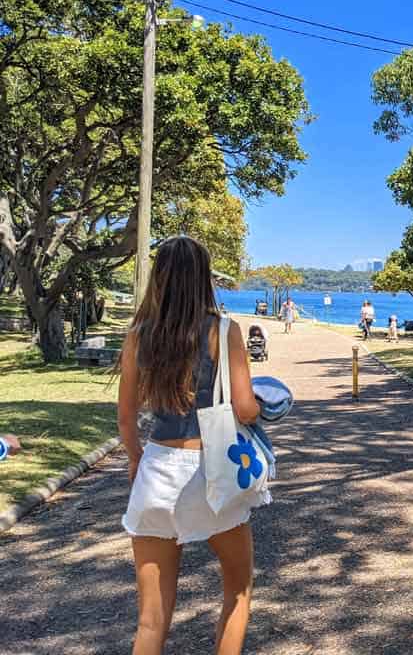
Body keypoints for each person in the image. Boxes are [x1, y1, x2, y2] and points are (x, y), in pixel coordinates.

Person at [117, 236, 264, 655]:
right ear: (204, 278)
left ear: (159, 277)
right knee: (237, 589)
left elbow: (127, 417)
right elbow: (246, 408)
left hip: (158, 468)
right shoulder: (224, 330)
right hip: (210, 470)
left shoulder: (138, 335)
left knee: (151, 620)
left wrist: (135, 460)